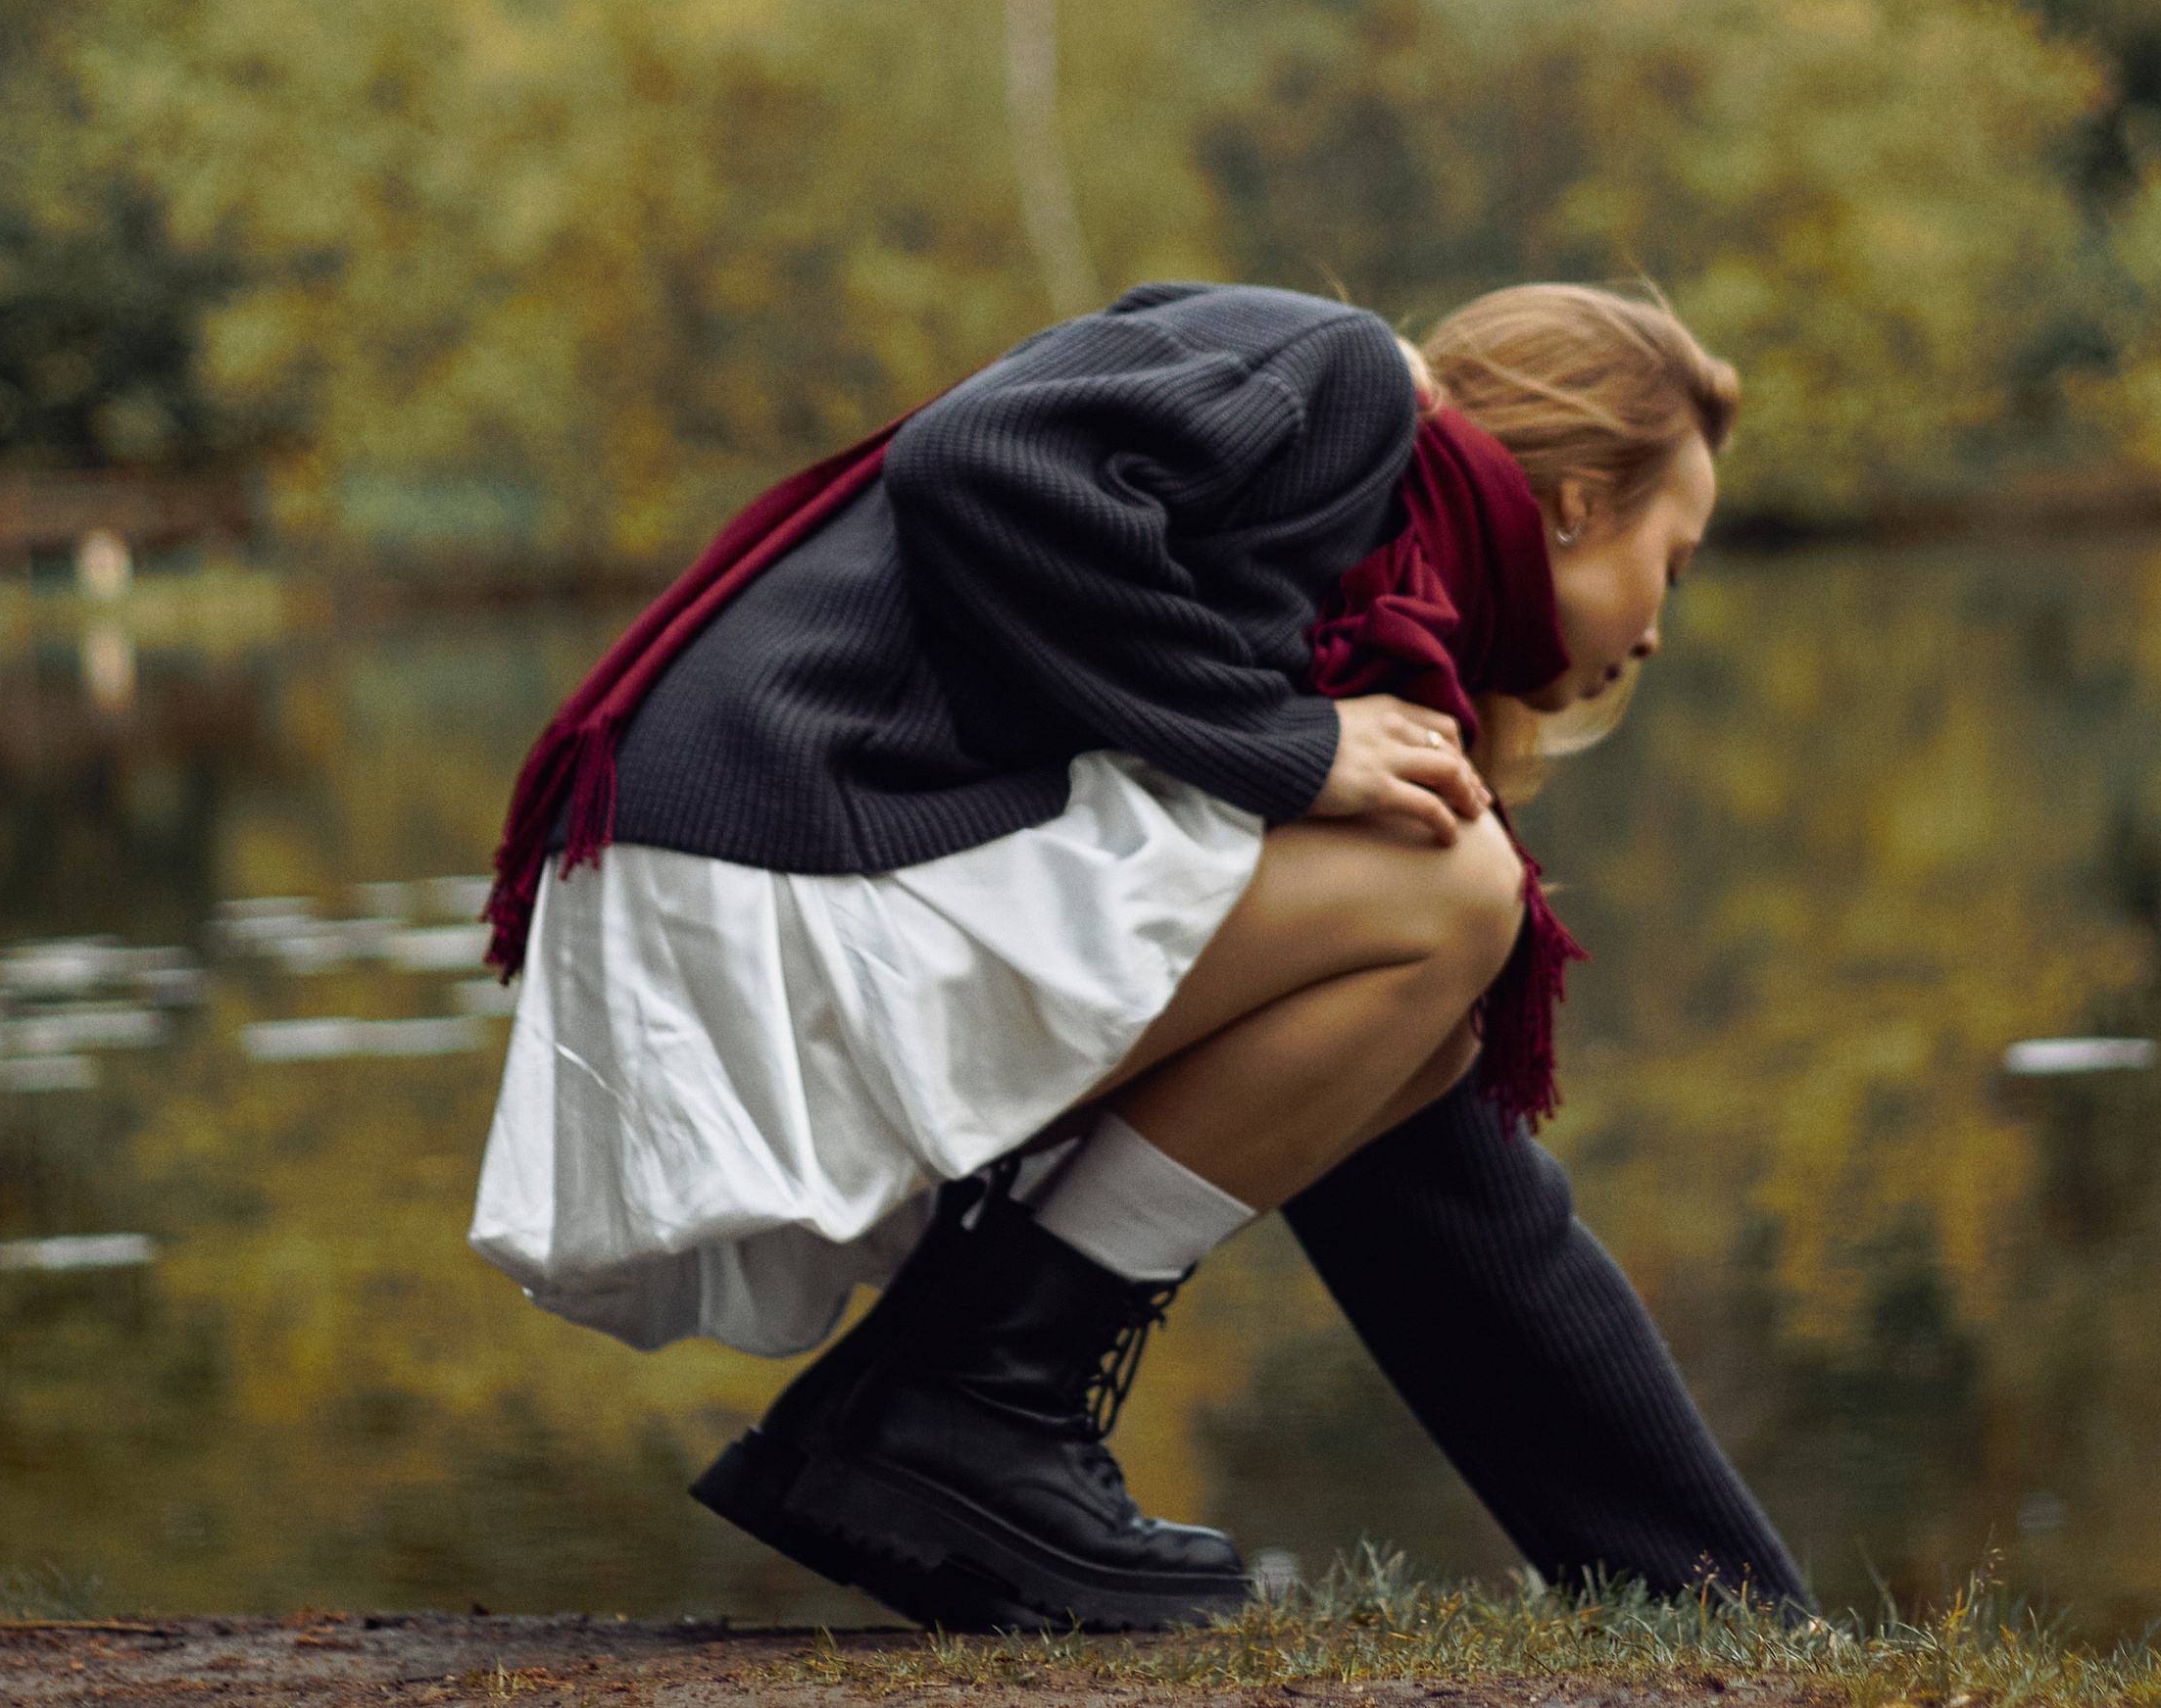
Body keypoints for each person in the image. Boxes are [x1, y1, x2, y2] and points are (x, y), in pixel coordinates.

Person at [470, 277, 1801, 1629]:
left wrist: (1726, 1603)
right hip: (772, 865)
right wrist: (1283, 747)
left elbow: (1449, 1196)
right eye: (1671, 567)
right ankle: (965, 1405)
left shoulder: (1354, 600)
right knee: (1455, 889)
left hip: (793, 876)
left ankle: (948, 1418)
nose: (1649, 631)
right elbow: (976, 461)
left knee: (1422, 1012)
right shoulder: (1340, 383)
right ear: (1578, 503)